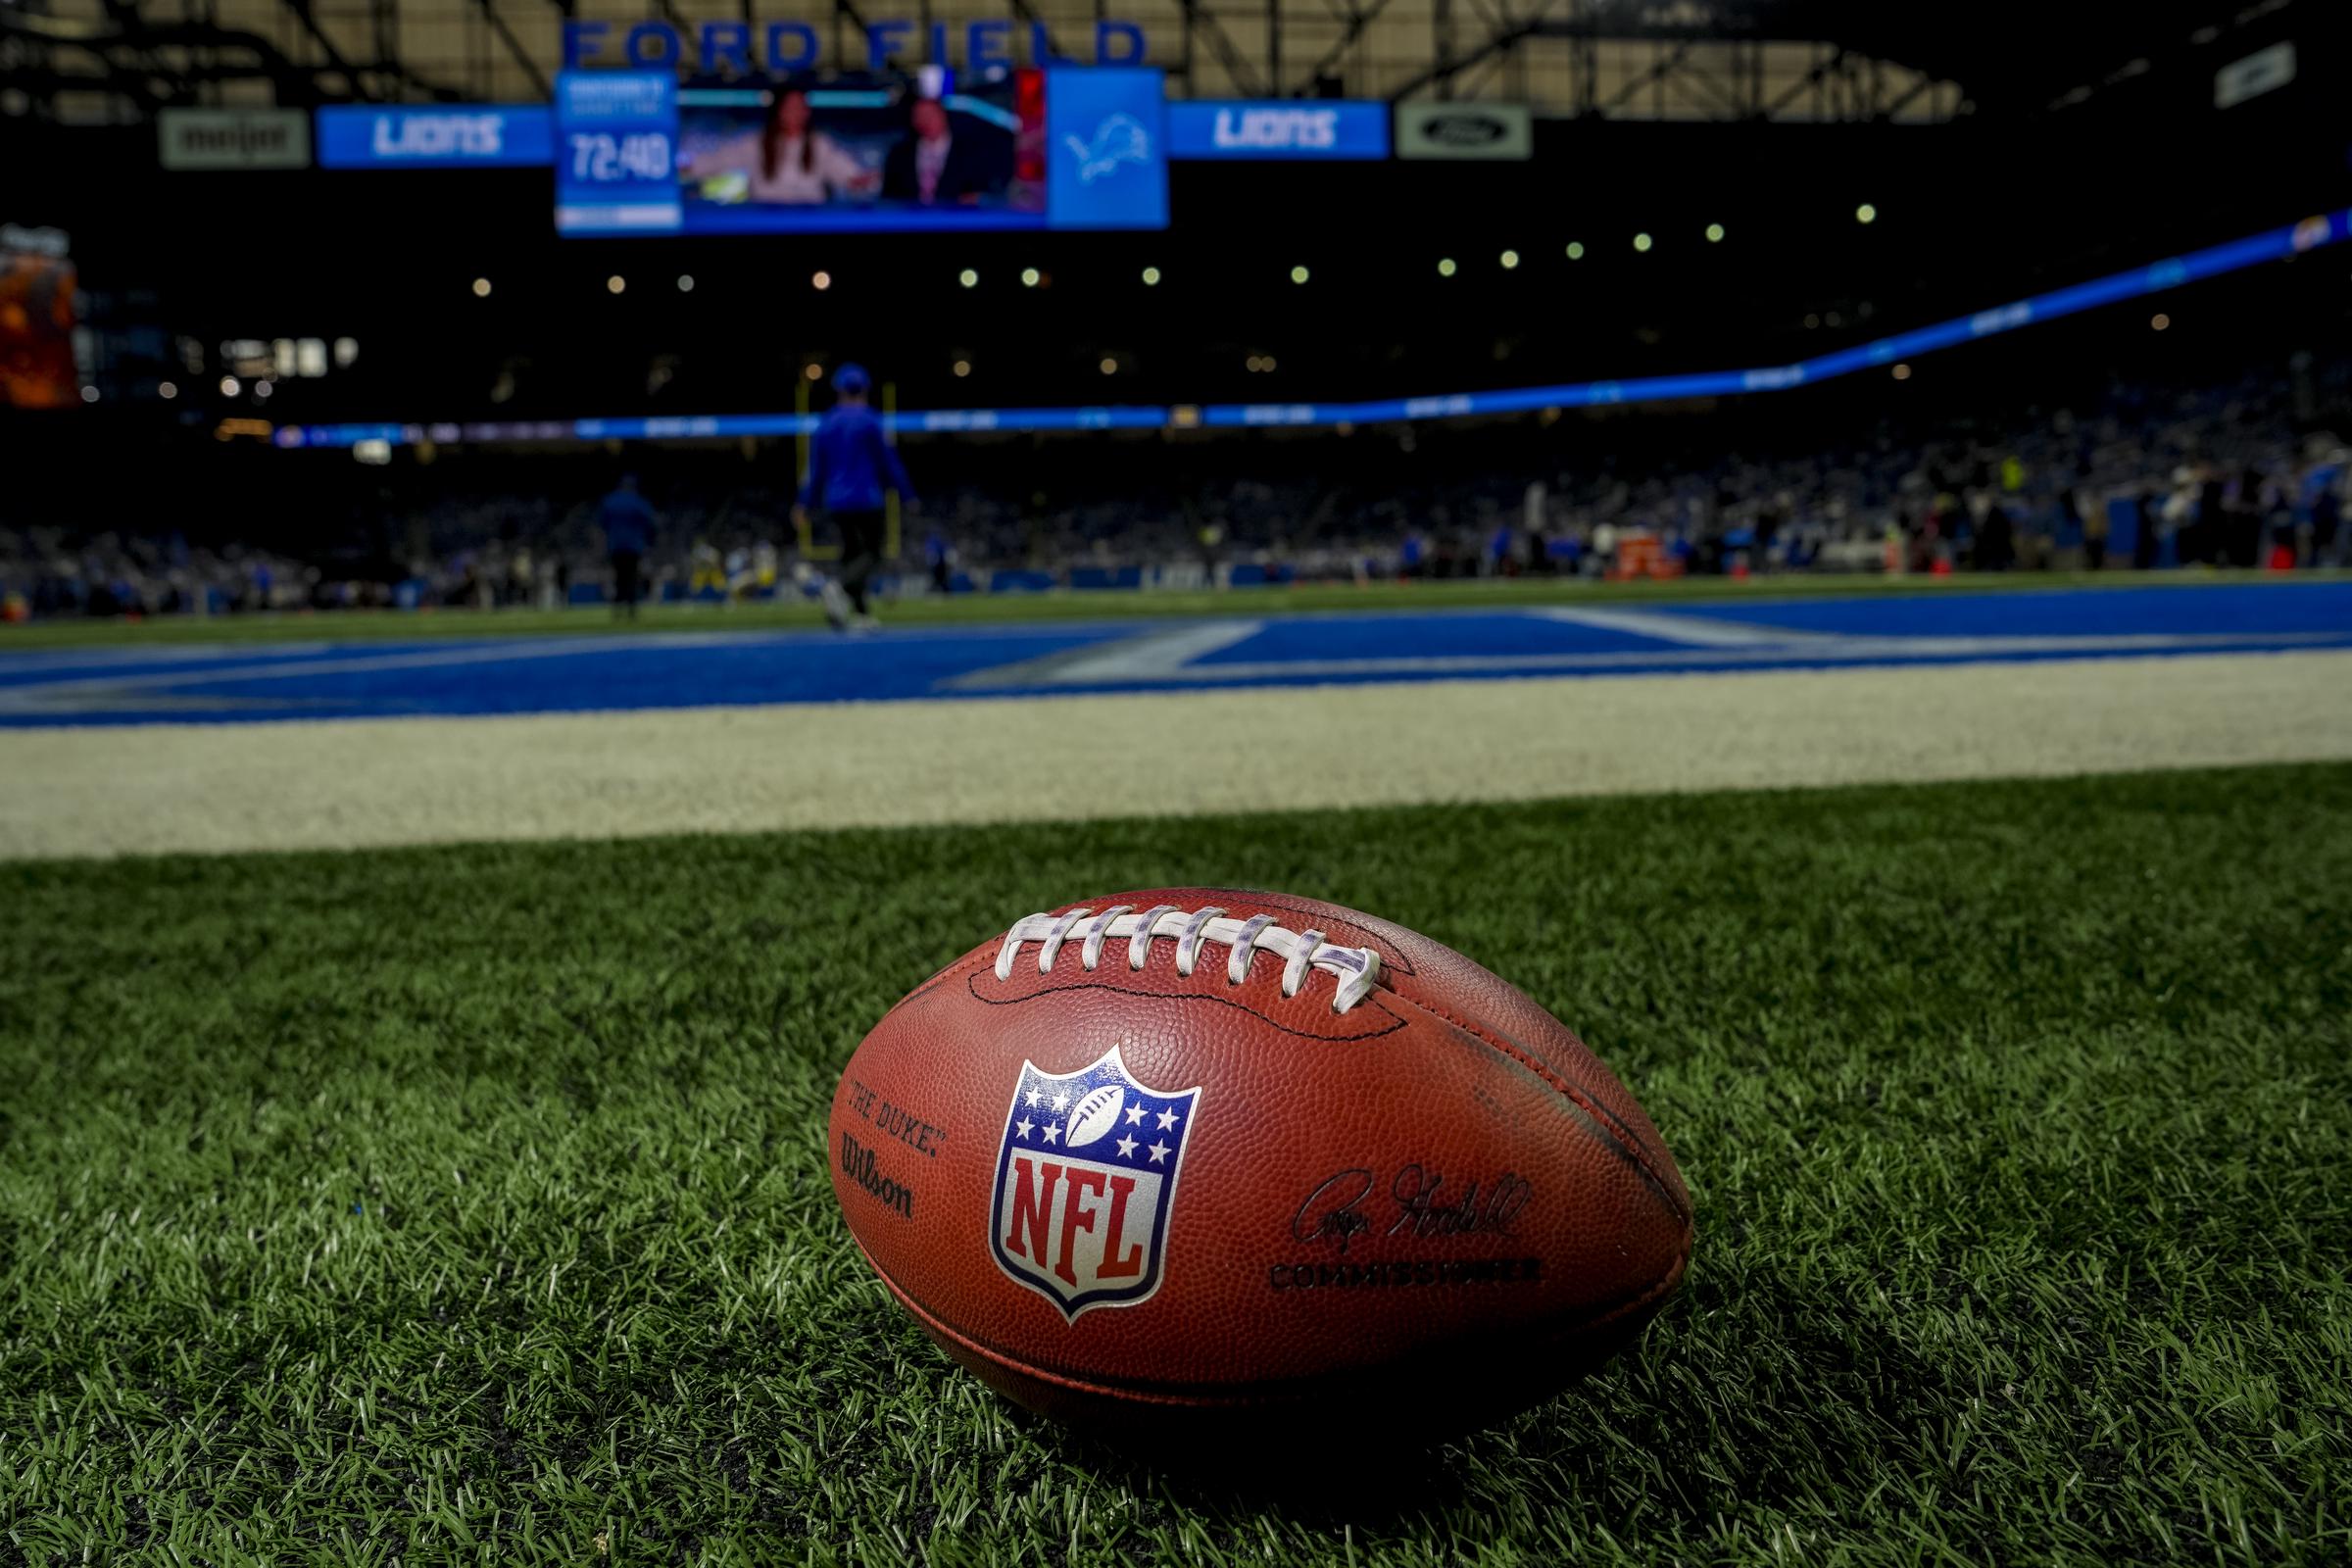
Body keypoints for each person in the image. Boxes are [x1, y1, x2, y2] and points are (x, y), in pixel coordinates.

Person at [794, 364, 913, 630]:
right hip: (867, 497)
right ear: (865, 389)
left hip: (836, 500)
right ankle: (838, 587)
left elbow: (815, 470)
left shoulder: (826, 423)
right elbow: (888, 461)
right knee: (872, 552)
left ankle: (860, 613)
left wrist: (804, 503)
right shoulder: (871, 420)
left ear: (838, 390)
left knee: (851, 554)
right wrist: (906, 494)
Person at [688, 87, 870, 205]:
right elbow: (721, 160)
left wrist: (859, 180)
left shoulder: (819, 144)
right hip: (766, 220)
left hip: (809, 220)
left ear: (807, 113)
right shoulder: (757, 142)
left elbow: (845, 171)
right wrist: (689, 168)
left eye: (800, 108)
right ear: (779, 112)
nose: (796, 114)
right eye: (790, 108)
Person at [882, 97, 989, 206]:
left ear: (943, 115)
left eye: (930, 115)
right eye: (919, 116)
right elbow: (888, 197)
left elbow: (982, 192)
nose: (925, 120)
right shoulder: (899, 154)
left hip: (956, 220)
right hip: (910, 220)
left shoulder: (969, 152)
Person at [599, 474, 655, 620]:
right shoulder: (638, 501)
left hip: (615, 545)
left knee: (619, 577)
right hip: (634, 545)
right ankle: (631, 608)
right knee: (631, 576)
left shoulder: (610, 501)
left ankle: (617, 608)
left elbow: (603, 523)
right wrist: (649, 541)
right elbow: (649, 522)